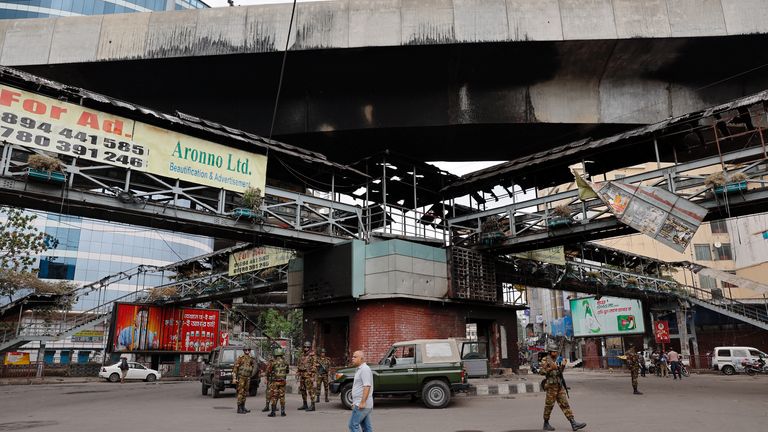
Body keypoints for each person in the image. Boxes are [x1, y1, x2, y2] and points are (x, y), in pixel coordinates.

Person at [539, 341, 586, 431]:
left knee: (565, 404)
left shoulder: (557, 360)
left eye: (556, 351)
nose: (556, 353)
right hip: (551, 387)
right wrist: (549, 368)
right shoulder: (545, 360)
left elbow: (559, 372)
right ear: (550, 352)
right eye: (554, 351)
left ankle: (573, 423)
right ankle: (546, 423)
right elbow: (541, 372)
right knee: (549, 406)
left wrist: (563, 366)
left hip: (559, 386)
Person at [348, 350, 373, 432]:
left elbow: (367, 386)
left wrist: (362, 402)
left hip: (362, 404)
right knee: (366, 428)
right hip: (360, 403)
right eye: (352, 356)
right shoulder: (360, 369)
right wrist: (354, 402)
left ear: (361, 359)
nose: (352, 358)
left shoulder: (364, 369)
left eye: (355, 357)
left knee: (353, 425)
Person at [266, 348, 289, 417]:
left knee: (274, 396)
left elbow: (268, 371)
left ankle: (273, 412)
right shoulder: (285, 362)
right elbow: (287, 371)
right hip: (282, 382)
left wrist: (268, 377)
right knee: (282, 396)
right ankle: (283, 412)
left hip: (275, 382)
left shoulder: (273, 362)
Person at [232, 346, 255, 414]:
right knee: (240, 393)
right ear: (244, 350)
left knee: (245, 393)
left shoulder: (251, 358)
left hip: (247, 378)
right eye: (246, 350)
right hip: (241, 377)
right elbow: (235, 368)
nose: (247, 351)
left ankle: (243, 407)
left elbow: (253, 367)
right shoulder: (240, 358)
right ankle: (239, 408)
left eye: (249, 350)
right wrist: (234, 378)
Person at [296, 341, 318, 411]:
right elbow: (299, 364)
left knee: (311, 390)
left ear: (310, 347)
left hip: (308, 375)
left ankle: (312, 405)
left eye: (307, 347)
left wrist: (313, 377)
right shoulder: (302, 355)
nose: (306, 348)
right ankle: (305, 404)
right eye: (305, 347)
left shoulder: (312, 356)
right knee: (302, 390)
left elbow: (314, 366)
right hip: (302, 375)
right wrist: (298, 372)